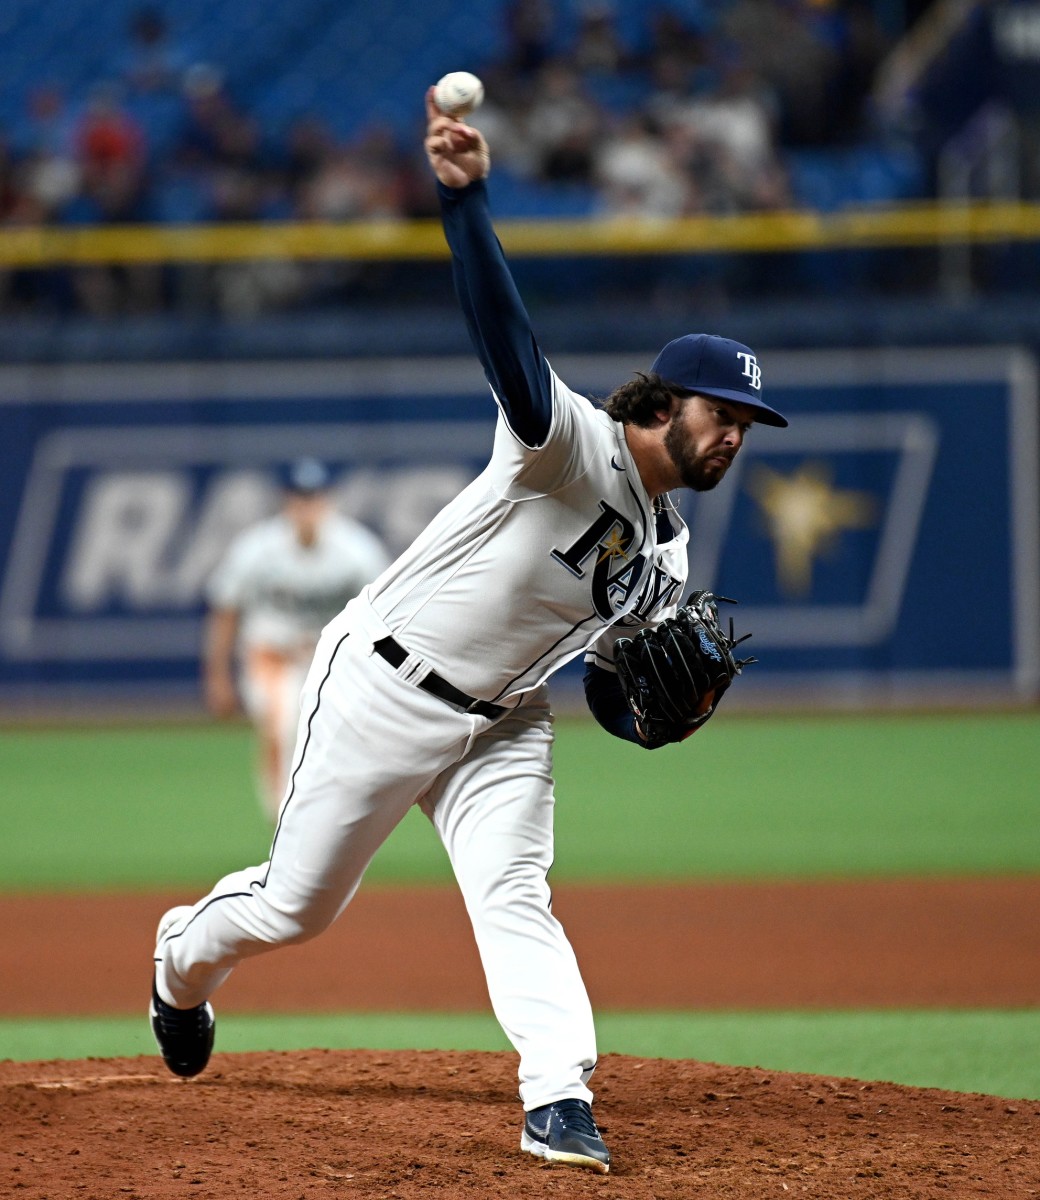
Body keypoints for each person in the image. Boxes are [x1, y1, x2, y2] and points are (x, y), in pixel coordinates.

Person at [150, 87, 787, 1174]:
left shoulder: (670, 552)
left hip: (502, 723)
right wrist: (464, 199)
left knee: (512, 890)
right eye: (718, 415)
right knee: (296, 909)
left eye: (743, 427)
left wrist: (646, 716)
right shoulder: (564, 442)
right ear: (661, 403)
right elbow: (502, 328)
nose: (732, 437)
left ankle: (556, 1097)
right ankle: (177, 966)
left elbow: (608, 685)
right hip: (381, 688)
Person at [202, 458, 389, 819]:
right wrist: (217, 676)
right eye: (299, 498)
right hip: (271, 656)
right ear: (286, 501)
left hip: (333, 658)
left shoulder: (357, 549)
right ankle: (283, 817)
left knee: (336, 736)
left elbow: (386, 611)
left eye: (314, 498)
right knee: (283, 719)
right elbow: (225, 610)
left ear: (328, 501)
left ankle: (322, 815)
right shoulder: (257, 548)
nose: (307, 508)